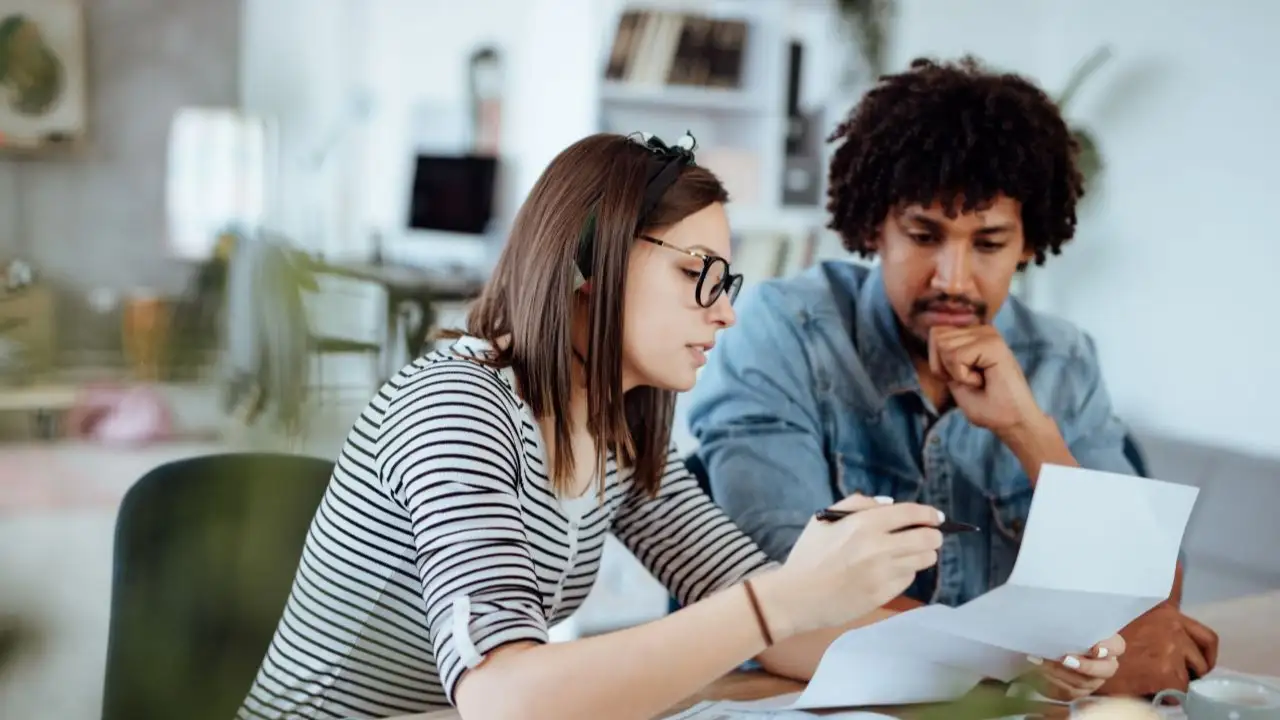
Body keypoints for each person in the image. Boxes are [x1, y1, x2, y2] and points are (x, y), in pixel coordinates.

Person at [236, 131, 963, 720]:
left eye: (726, 282)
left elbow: (766, 617)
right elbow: (503, 699)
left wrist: (995, 670)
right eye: (698, 273)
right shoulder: (456, 407)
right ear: (590, 260)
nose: (725, 311)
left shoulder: (618, 430)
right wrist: (783, 598)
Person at [684, 56, 1215, 699]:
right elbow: (781, 594)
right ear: (875, 226)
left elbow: (1149, 598)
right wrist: (1032, 660)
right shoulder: (785, 332)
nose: (953, 280)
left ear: (1027, 244)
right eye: (923, 235)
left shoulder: (1061, 358)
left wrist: (1028, 430)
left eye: (988, 244)